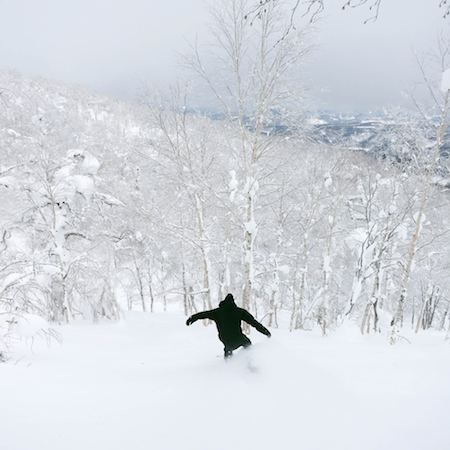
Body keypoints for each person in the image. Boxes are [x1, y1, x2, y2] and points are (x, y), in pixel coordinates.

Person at [186, 293, 271, 358]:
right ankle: (250, 362)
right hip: (238, 338)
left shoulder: (217, 312)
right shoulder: (239, 312)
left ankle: (228, 362)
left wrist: (191, 318)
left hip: (225, 338)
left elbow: (202, 314)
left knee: (228, 347)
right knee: (247, 343)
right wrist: (265, 332)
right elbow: (254, 323)